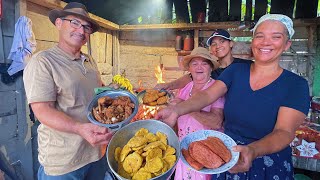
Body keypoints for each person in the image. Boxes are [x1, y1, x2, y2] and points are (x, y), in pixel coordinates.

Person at [156, 14, 310, 180]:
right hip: (227, 155)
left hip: (268, 163)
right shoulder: (236, 71)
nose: (266, 42)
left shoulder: (295, 84)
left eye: (276, 37)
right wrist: (176, 110)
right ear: (253, 41)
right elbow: (207, 95)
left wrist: (253, 150)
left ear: (287, 44)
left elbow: (284, 132)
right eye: (260, 36)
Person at [23, 2, 113, 179]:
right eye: (74, 23)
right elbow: (42, 110)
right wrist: (80, 128)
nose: (81, 31)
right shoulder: (43, 62)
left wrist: (118, 96)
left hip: (97, 153)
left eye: (86, 27)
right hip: (65, 164)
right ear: (58, 23)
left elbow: (98, 91)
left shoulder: (89, 61)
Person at [172, 47, 225, 180]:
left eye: (204, 63)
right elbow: (177, 122)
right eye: (194, 63)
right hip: (184, 153)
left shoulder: (216, 89)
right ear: (189, 69)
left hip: (207, 155)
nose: (199, 67)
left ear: (211, 68)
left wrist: (186, 106)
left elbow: (216, 122)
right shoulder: (184, 89)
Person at [154, 29, 251, 90]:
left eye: (222, 41)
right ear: (211, 50)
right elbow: (189, 77)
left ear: (231, 44)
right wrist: (167, 85)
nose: (218, 46)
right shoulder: (210, 70)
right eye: (214, 44)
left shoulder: (246, 65)